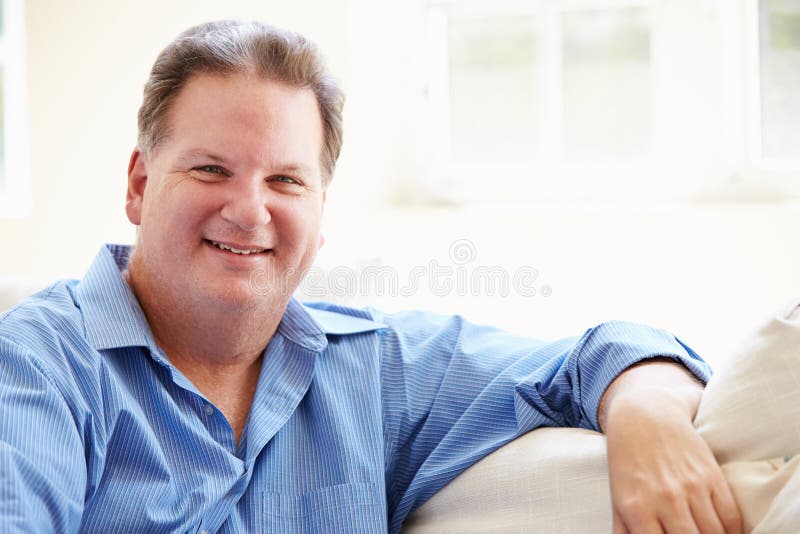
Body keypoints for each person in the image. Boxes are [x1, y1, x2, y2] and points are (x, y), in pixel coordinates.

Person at [0, 20, 741, 533]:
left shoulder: (374, 371)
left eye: (287, 181)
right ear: (138, 184)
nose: (250, 210)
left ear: (321, 215)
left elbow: (594, 355)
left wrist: (646, 411)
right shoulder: (37, 368)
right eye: (210, 169)